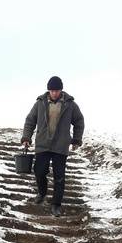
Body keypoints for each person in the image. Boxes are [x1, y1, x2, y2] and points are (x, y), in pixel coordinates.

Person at [21, 76, 85, 217]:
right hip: (43, 144)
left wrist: (76, 139)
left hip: (60, 146)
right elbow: (30, 121)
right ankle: (42, 193)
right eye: (51, 90)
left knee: (59, 176)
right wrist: (26, 137)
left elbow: (79, 122)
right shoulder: (40, 103)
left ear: (61, 90)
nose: (54, 93)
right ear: (48, 90)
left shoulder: (70, 105)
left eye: (56, 90)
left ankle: (56, 204)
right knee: (39, 171)